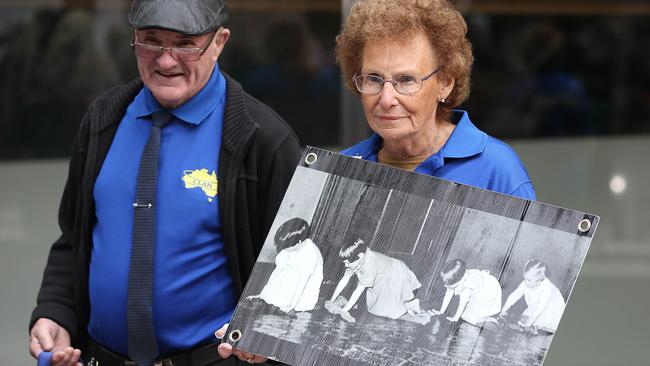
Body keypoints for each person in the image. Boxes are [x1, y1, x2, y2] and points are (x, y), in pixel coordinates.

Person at [28, 0, 301, 365]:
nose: (165, 60)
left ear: (219, 42)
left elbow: (295, 267)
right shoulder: (103, 119)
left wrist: (268, 337)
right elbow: (73, 239)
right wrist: (55, 311)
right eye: (151, 40)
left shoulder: (262, 140)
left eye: (185, 43)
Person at [336, 0, 536, 200]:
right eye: (373, 78)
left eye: (406, 80)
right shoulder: (341, 169)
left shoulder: (495, 170)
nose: (386, 99)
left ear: (445, 83)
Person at [325, 238, 423, 323]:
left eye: (347, 263)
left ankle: (410, 304)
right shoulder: (354, 260)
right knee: (376, 308)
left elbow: (358, 290)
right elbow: (344, 280)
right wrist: (332, 300)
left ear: (360, 256)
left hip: (395, 273)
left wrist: (345, 310)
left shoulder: (370, 263)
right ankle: (407, 304)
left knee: (390, 310)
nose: (346, 265)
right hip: (383, 275)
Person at [247, 218, 323, 312]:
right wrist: (263, 295)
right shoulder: (289, 249)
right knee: (273, 296)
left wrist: (291, 305)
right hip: (293, 279)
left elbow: (302, 282)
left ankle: (290, 303)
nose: (284, 249)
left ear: (299, 242)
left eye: (287, 247)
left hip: (304, 289)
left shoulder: (311, 253)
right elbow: (277, 271)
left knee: (286, 304)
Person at [428, 259, 502, 326]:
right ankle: (481, 316)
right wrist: (441, 311)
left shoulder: (467, 284)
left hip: (488, 289)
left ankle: (489, 319)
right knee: (468, 314)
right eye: (445, 283)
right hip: (480, 288)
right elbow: (448, 294)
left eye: (448, 284)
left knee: (468, 317)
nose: (445, 285)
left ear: (458, 281)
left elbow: (462, 303)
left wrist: (455, 318)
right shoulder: (455, 280)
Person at [500, 259, 566, 333]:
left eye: (529, 280)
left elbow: (540, 308)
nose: (526, 282)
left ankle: (535, 328)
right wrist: (503, 310)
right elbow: (514, 296)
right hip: (535, 307)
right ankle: (529, 327)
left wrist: (528, 325)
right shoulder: (526, 282)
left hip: (553, 310)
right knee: (523, 320)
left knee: (538, 325)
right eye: (525, 278)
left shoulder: (547, 288)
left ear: (539, 280)